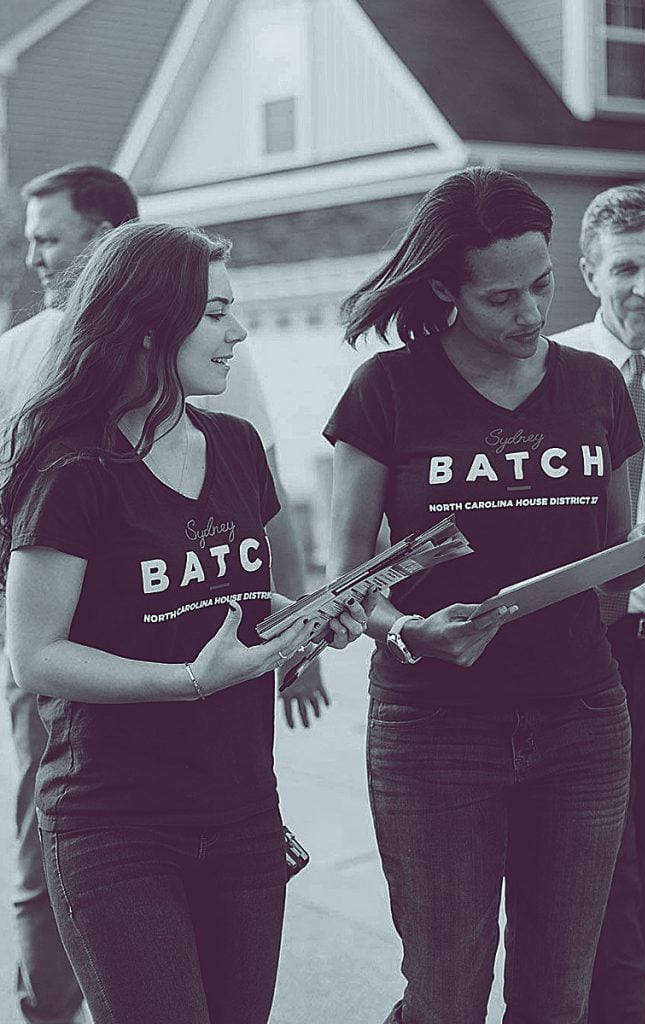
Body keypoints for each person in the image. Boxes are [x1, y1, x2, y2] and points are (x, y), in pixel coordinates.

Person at [322, 166, 645, 1023]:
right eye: (499, 297)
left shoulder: (595, 389)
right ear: (445, 290)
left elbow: (606, 562)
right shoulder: (386, 392)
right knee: (444, 995)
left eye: (542, 286)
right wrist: (408, 629)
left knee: (560, 996)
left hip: (583, 725)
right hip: (435, 733)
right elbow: (345, 589)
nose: (528, 313)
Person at [0, 220, 368, 1024]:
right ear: (144, 327)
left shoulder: (235, 447)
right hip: (114, 825)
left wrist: (303, 624)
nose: (237, 331)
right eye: (215, 312)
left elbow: (232, 607)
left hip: (242, 815)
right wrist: (190, 681)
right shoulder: (72, 471)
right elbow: (35, 656)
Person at [0, 163, 138, 1024]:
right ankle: (46, 1010)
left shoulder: (195, 340)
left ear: (106, 235)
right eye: (29, 238)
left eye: (48, 237)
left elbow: (253, 486)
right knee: (43, 834)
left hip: (171, 639)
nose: (32, 256)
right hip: (45, 656)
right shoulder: (15, 355)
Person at [554, 185, 645, 1024]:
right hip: (594, 650)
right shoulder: (556, 373)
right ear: (589, 272)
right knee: (601, 871)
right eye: (625, 268)